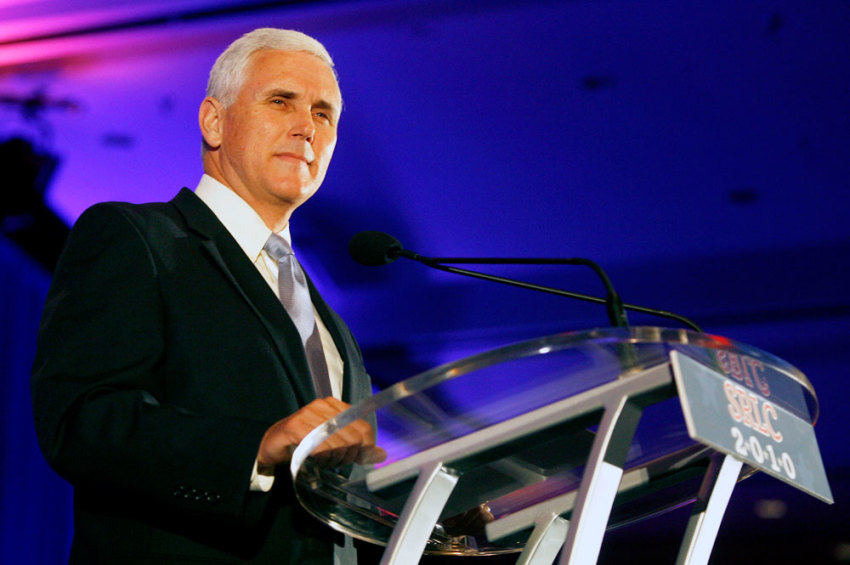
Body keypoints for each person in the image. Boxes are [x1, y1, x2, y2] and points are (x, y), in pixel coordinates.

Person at [31, 28, 380, 565]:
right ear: (213, 121)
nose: (307, 127)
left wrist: (433, 514)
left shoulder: (333, 325)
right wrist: (254, 448)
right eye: (281, 101)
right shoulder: (137, 238)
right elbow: (81, 421)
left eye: (324, 113)